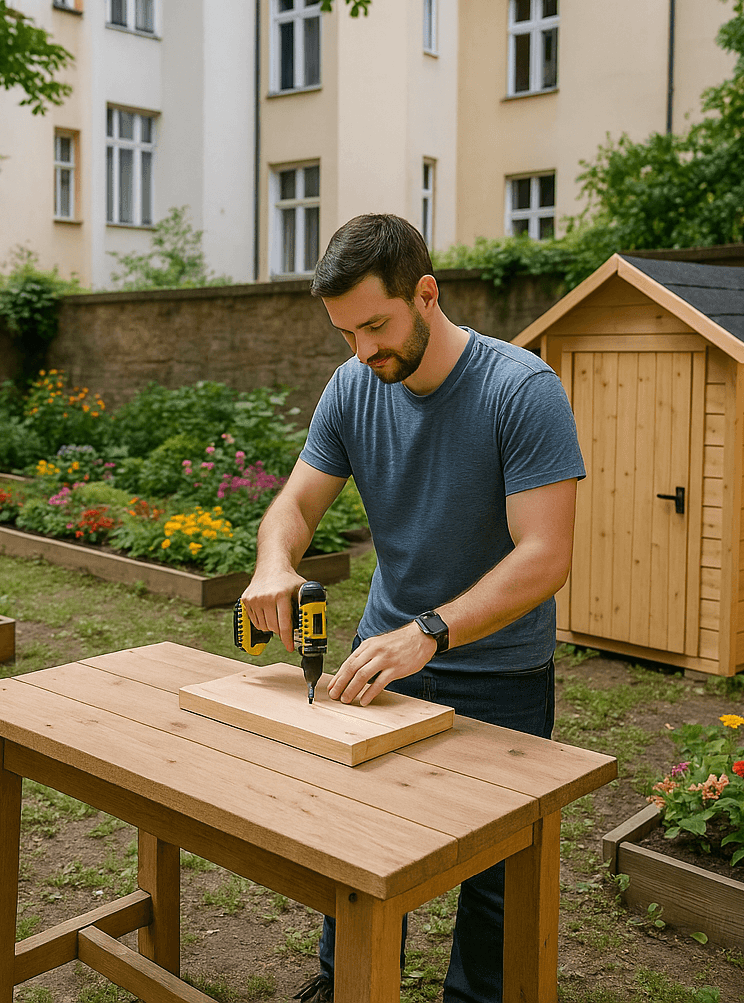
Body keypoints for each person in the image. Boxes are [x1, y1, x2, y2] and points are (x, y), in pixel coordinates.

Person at [238, 213, 586, 1003]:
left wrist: (431, 631)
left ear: (425, 294)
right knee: (356, 845)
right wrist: (273, 562)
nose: (362, 352)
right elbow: (294, 503)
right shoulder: (353, 385)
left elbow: (546, 555)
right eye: (344, 333)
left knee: (494, 879)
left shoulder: (521, 390)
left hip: (498, 672)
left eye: (375, 326)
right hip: (380, 660)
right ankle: (347, 985)